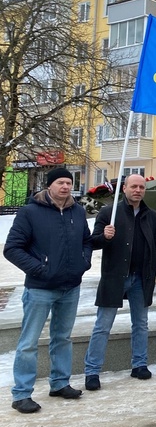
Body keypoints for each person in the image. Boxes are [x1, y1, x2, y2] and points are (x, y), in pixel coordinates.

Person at [4, 168, 92, 414]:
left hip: (70, 287)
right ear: (49, 185)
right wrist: (39, 269)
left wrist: (83, 263)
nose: (65, 186)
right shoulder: (30, 212)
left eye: (68, 182)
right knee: (29, 342)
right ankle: (22, 394)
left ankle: (60, 383)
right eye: (60, 182)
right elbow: (12, 248)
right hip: (40, 288)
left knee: (62, 338)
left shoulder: (77, 211)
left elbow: (86, 240)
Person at [84, 174, 156, 391]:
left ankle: (139, 364)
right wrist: (104, 236)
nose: (137, 190)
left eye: (141, 187)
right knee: (103, 325)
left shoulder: (151, 215)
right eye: (133, 186)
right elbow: (93, 241)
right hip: (115, 276)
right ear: (124, 188)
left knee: (141, 323)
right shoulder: (109, 212)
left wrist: (152, 269)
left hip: (141, 278)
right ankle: (92, 371)